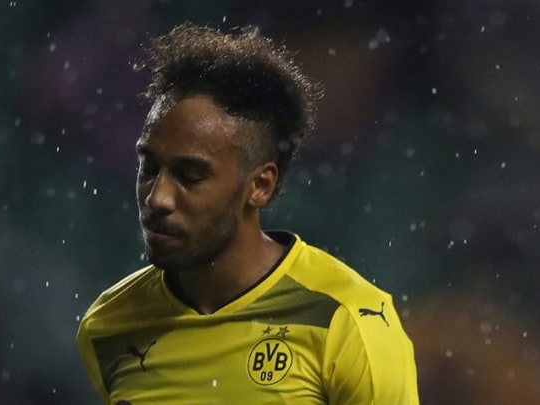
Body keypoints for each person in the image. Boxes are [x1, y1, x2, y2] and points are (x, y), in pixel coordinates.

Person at [77, 23, 418, 404]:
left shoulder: (347, 319)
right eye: (149, 168)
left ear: (260, 186)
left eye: (190, 176)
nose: (158, 199)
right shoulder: (109, 325)